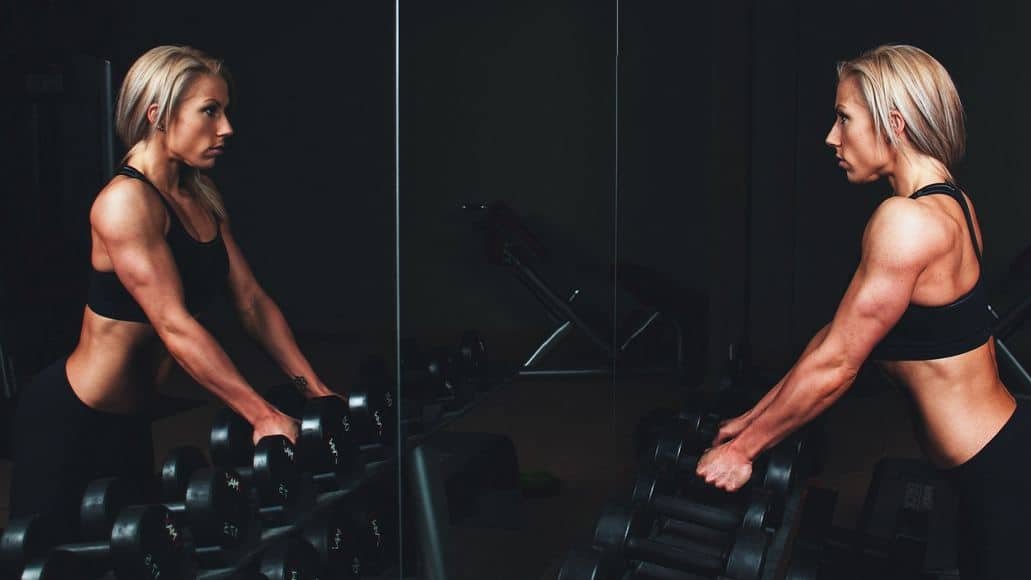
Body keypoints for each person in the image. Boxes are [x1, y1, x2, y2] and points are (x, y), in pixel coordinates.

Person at [695, 44, 1028, 578]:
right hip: (994, 457)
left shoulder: (906, 222)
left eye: (844, 118)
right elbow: (835, 337)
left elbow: (840, 363)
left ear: (893, 123)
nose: (832, 136)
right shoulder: (954, 204)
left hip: (997, 472)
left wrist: (744, 453)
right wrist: (754, 421)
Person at [8, 45, 339, 528]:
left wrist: (316, 392)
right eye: (210, 111)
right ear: (158, 113)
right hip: (70, 421)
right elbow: (173, 324)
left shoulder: (198, 196)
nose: (227, 128)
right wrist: (262, 415)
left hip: (131, 424)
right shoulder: (124, 204)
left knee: (133, 555)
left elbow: (251, 302)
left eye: (225, 111)